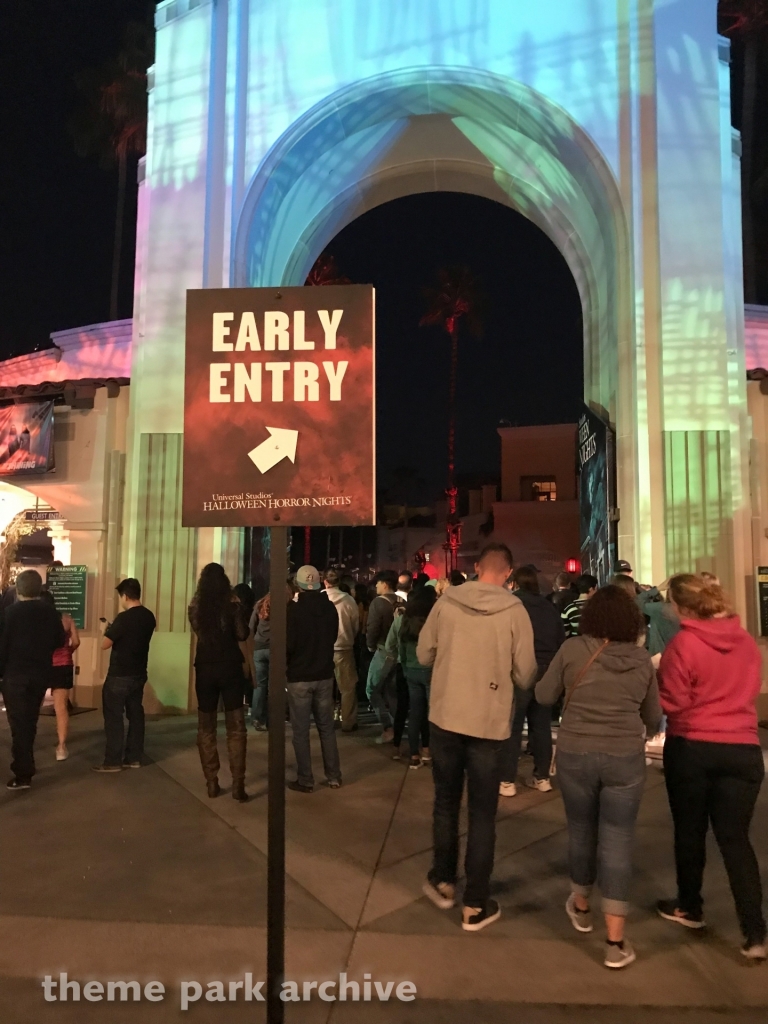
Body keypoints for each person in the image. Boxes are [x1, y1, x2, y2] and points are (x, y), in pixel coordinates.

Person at [536, 585, 660, 969]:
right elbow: (653, 718)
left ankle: (582, 904)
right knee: (618, 841)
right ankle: (615, 941)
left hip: (575, 753)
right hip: (624, 757)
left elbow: (542, 694)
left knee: (581, 830)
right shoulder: (640, 660)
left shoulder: (573, 650)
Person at [417, 542, 537, 932]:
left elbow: (423, 654)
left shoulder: (447, 602)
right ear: (508, 573)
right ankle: (475, 903)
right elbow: (525, 673)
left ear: (477, 568)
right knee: (483, 813)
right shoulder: (515, 611)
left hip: (446, 716)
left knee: (445, 802)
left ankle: (443, 879)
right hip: (488, 723)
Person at [656, 574, 766, 961]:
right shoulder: (746, 642)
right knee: (736, 841)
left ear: (683, 607)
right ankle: (755, 933)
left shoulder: (683, 644)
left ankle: (689, 906)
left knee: (690, 830)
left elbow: (673, 702)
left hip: (693, 746)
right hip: (743, 747)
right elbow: (752, 687)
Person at [499, 565, 565, 796]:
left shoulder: (511, 605)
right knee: (541, 725)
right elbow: (560, 640)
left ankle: (507, 780)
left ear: (515, 582)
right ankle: (542, 777)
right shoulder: (549, 607)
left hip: (519, 670)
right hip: (546, 671)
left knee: (513, 725)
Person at [188, 564, 250, 800]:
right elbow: (242, 634)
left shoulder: (195, 606)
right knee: (236, 728)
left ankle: (212, 782)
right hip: (230, 667)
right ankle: (237, 784)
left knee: (206, 727)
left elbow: (199, 632)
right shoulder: (232, 603)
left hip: (205, 668)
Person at [0, 570, 66, 790]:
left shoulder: (9, 614)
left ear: (18, 590)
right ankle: (25, 765)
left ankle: (23, 771)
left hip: (14, 676)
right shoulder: (50, 613)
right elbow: (58, 640)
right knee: (30, 720)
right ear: (40, 589)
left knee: (18, 724)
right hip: (40, 674)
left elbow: (2, 647)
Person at [286, 565, 342, 792]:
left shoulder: (293, 610)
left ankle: (306, 779)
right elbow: (333, 637)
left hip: (299, 676)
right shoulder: (330, 608)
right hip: (324, 674)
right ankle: (334, 776)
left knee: (300, 731)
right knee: (326, 728)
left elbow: (288, 644)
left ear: (298, 584)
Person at [94, 578, 156, 774]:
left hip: (119, 674)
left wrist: (106, 630)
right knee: (136, 714)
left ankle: (113, 761)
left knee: (114, 718)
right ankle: (134, 757)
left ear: (125, 596)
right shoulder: (149, 617)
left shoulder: (123, 618)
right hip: (139, 673)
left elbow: (105, 644)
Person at [385, 586, 436, 768]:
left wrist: (404, 668)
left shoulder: (403, 621)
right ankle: (428, 750)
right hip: (430, 671)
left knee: (414, 713)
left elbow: (394, 647)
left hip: (410, 671)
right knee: (432, 714)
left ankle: (414, 755)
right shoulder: (432, 621)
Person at [40, 590, 80, 761]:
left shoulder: (38, 621)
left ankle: (25, 743)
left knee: (33, 705)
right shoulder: (66, 619)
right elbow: (77, 641)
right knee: (61, 708)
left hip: (41, 665)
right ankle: (61, 747)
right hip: (63, 665)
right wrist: (67, 651)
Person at [366, 570, 404, 743]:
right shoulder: (402, 601)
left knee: (372, 689)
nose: (376, 585)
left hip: (383, 651)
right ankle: (397, 727)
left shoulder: (378, 603)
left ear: (385, 584)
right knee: (391, 691)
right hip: (399, 653)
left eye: (378, 582)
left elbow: (372, 628)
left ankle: (387, 726)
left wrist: (370, 645)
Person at [324, 569, 360, 732]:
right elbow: (355, 625)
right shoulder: (349, 601)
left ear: (325, 582)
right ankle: (348, 721)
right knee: (347, 687)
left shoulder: (320, 599)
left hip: (323, 648)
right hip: (344, 647)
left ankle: (325, 720)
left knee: (325, 687)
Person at [249, 593, 272, 731]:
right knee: (273, 687)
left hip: (258, 648)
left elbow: (251, 627)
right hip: (274, 649)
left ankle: (256, 718)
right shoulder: (284, 606)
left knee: (259, 686)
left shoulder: (259, 605)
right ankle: (271, 719)